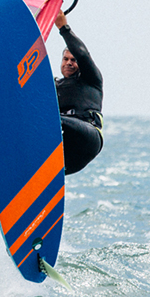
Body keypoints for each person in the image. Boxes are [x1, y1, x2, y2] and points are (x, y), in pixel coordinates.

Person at [54, 10, 103, 174]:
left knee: (50, 118)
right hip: (68, 153)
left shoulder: (90, 78)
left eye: (73, 60)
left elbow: (82, 55)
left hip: (88, 136)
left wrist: (63, 28)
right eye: (65, 59)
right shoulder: (54, 85)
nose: (69, 63)